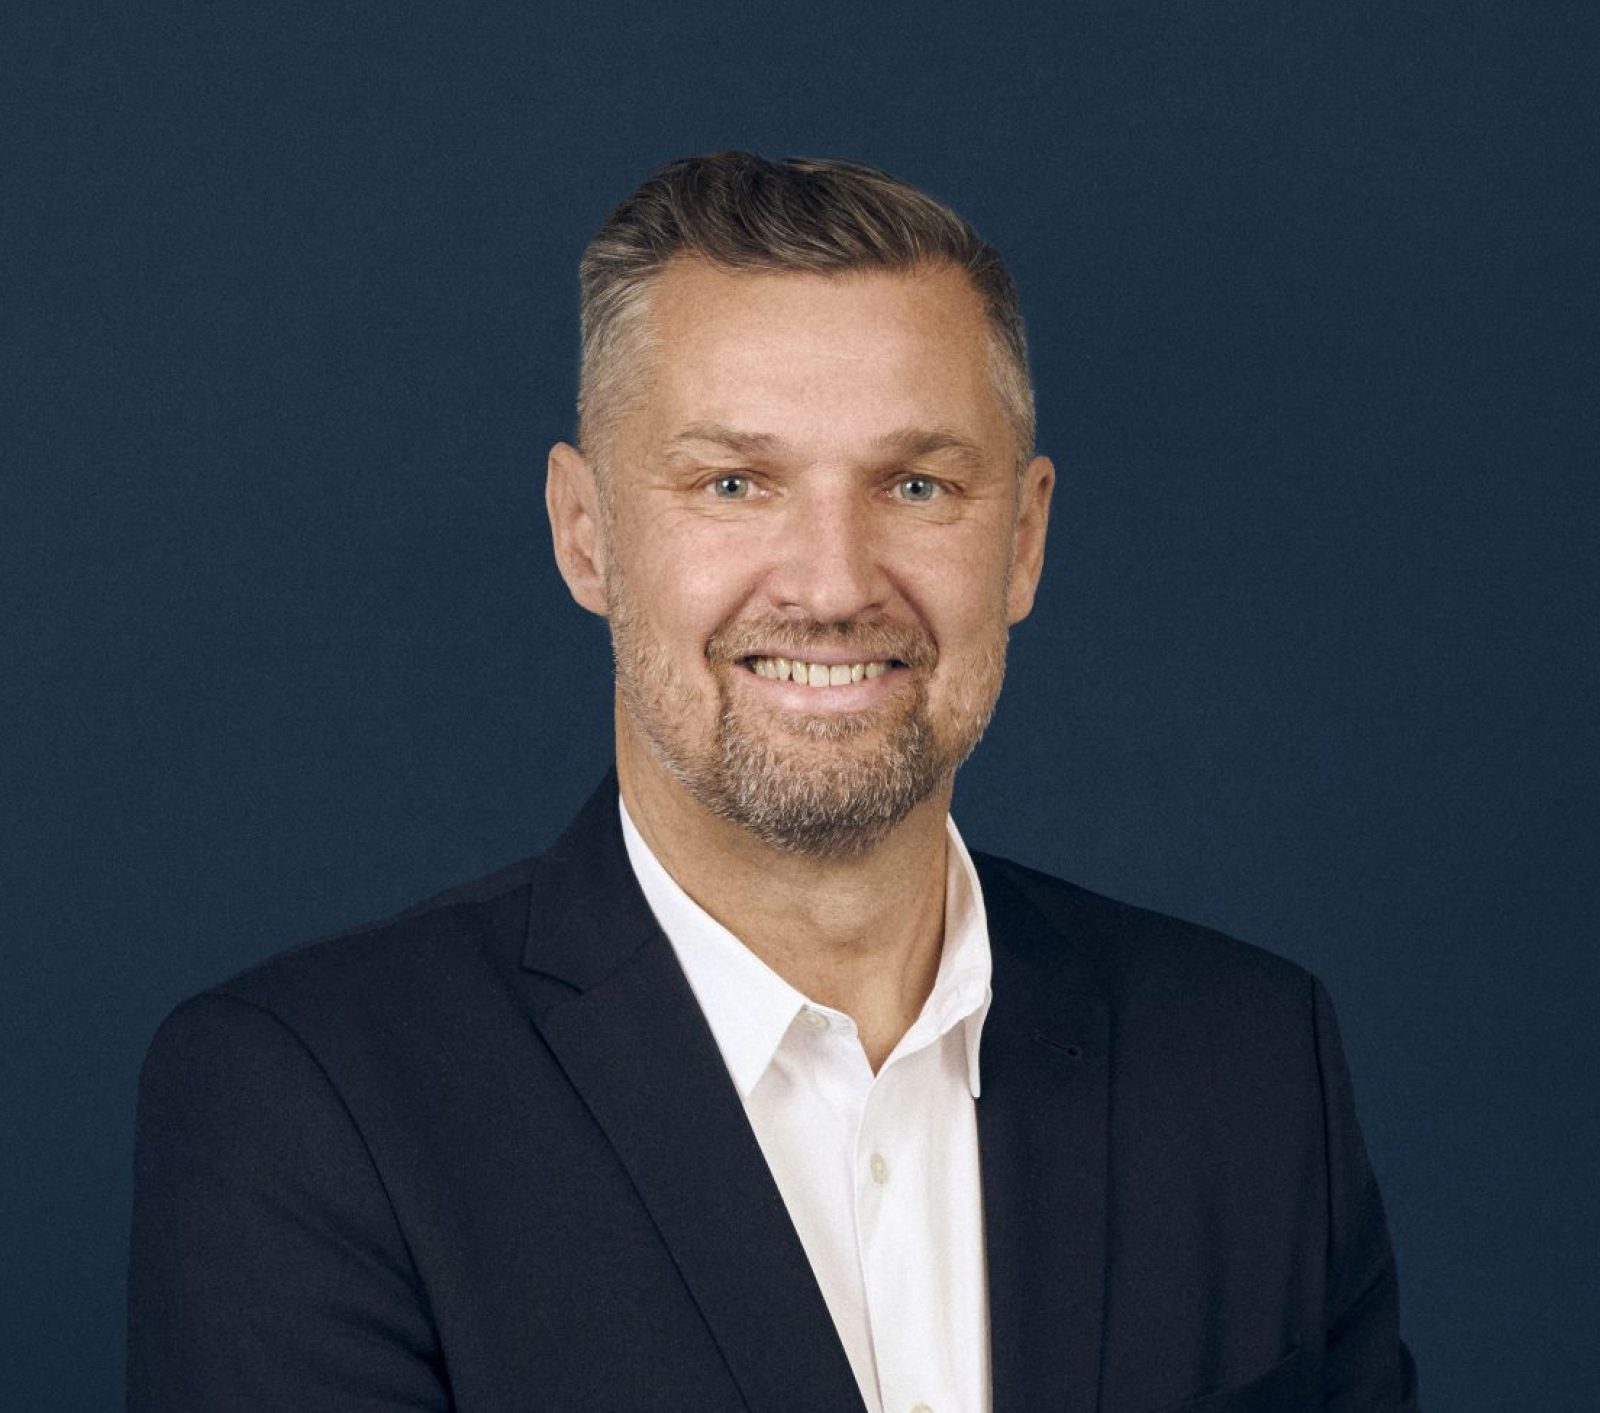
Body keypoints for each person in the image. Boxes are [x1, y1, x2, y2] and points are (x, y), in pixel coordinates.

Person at [127, 152, 1420, 1412]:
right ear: (586, 532)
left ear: (1023, 539)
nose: (834, 584)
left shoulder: (1252, 1064)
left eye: (917, 484)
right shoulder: (313, 1107)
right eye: (735, 483)